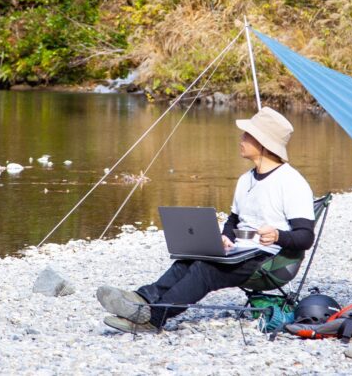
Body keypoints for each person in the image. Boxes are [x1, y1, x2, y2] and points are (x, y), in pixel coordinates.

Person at [96, 106, 316, 333]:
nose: (241, 138)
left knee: (205, 269)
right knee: (189, 259)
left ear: (263, 143)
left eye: (247, 135)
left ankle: (152, 318)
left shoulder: (291, 182)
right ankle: (141, 299)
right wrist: (225, 237)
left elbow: (305, 237)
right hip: (242, 251)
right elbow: (234, 220)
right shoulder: (245, 179)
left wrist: (278, 235)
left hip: (271, 260)